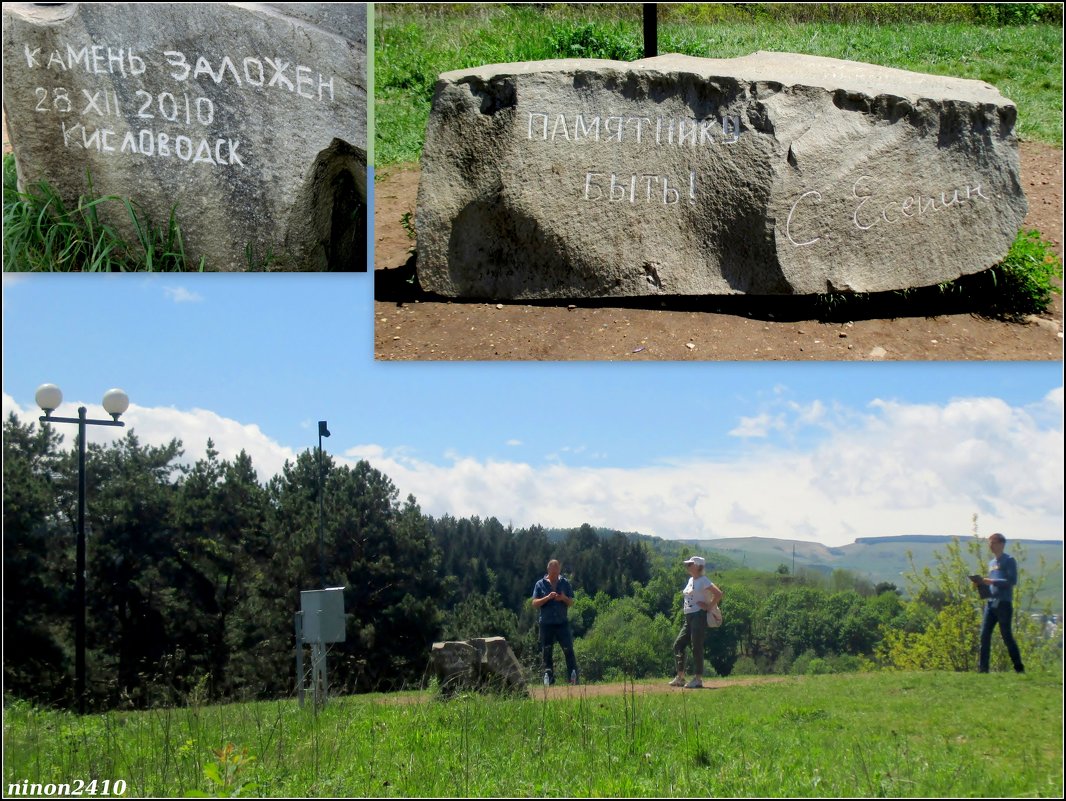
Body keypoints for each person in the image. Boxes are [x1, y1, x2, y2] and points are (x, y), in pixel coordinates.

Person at [669, 556, 723, 689]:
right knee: (678, 644)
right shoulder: (690, 580)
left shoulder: (703, 580)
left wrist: (709, 606)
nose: (687, 566)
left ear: (697, 566)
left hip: (698, 616)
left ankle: (698, 679)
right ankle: (680, 677)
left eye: (690, 564)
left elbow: (718, 593)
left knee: (696, 646)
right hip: (689, 617)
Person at [977, 533, 1025, 674]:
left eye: (993, 542)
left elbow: (1011, 581)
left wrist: (991, 581)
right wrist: (981, 585)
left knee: (1006, 636)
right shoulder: (991, 563)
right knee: (984, 635)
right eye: (989, 543)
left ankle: (1019, 668)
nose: (990, 545)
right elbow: (992, 584)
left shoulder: (1009, 560)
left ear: (1001, 544)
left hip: (1003, 604)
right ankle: (983, 669)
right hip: (991, 603)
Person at [531, 559, 578, 685]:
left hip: (562, 623)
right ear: (548, 570)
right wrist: (547, 598)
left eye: (557, 569)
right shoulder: (540, 584)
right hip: (546, 624)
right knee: (547, 652)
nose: (555, 572)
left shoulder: (565, 583)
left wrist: (563, 598)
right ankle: (549, 681)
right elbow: (534, 603)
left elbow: (571, 602)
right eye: (553, 570)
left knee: (568, 650)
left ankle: (573, 679)